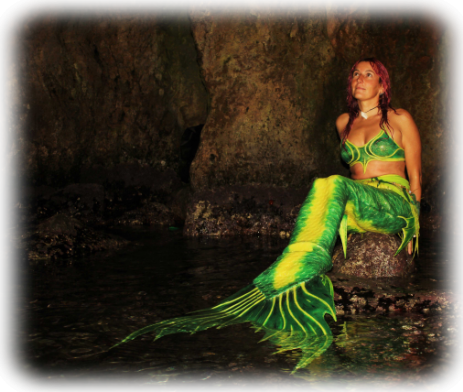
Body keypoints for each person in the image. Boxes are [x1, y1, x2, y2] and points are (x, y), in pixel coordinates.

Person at [113, 58, 421, 367]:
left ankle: (293, 268)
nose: (360, 78)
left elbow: (416, 178)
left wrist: (414, 225)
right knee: (323, 190)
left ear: (382, 85)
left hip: (392, 202)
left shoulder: (399, 118)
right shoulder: (344, 122)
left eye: (369, 74)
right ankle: (298, 275)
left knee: (330, 184)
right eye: (356, 73)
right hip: (356, 201)